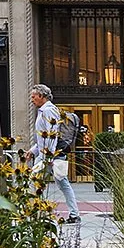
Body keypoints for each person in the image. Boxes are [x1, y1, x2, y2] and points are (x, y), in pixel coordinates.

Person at [26, 83, 81, 221]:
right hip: (49, 155)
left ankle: (38, 212)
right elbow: (43, 136)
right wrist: (33, 150)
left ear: (41, 96)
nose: (32, 99)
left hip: (50, 156)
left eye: (34, 97)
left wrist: (47, 157)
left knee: (33, 181)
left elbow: (52, 134)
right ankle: (72, 214)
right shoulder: (44, 111)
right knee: (62, 184)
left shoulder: (48, 111)